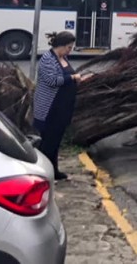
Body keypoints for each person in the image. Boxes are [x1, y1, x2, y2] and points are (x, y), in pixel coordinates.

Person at [33, 31, 92, 181]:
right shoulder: (48, 59)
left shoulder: (63, 57)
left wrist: (79, 80)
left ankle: (54, 170)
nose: (70, 50)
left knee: (56, 141)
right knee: (48, 143)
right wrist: (73, 77)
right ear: (60, 46)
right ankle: (43, 173)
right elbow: (53, 80)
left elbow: (66, 78)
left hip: (63, 108)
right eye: (68, 47)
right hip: (50, 108)